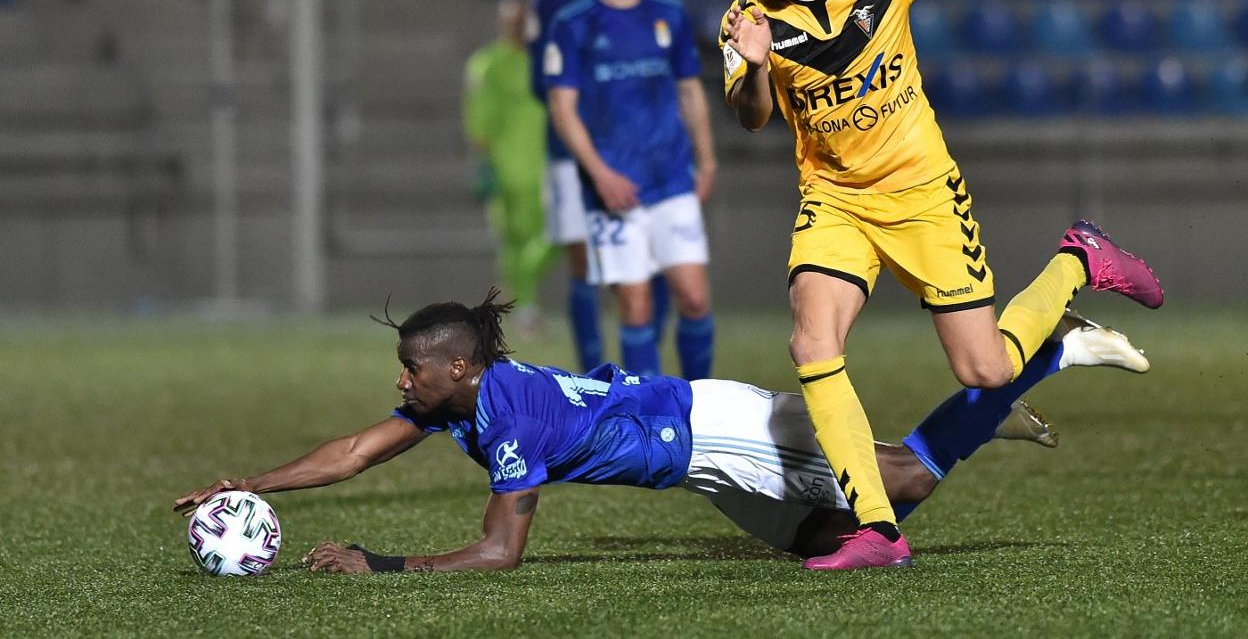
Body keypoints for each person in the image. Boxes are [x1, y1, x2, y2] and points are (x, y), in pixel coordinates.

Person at [719, 0, 1164, 569]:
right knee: (812, 344)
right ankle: (877, 530)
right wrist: (754, 67)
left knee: (985, 369)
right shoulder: (748, 19)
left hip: (923, 196)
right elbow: (750, 120)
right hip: (836, 200)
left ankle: (1079, 257)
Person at [172, 290, 1151, 573]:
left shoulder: (505, 416)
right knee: (818, 543)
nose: (401, 382)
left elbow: (498, 553)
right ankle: (993, 399)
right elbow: (352, 451)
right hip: (699, 465)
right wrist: (241, 483)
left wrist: (381, 567)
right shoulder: (463, 399)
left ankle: (1047, 351)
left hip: (715, 431)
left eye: (412, 369)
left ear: (457, 370)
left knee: (905, 490)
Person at [545, 0, 717, 380]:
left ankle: (699, 407)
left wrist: (706, 162)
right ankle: (650, 417)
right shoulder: (573, 23)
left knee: (694, 297)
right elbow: (563, 109)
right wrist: (600, 175)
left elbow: (690, 92)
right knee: (636, 307)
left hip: (670, 179)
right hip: (613, 192)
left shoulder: (670, 14)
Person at [530, 0, 672, 372]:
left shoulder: (643, 1)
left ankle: (644, 372)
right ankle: (593, 371)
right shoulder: (555, 3)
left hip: (641, 156)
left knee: (655, 265)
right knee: (585, 266)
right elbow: (540, 82)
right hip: (574, 157)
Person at [463, 0, 555, 330]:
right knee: (513, 241)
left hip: (544, 166)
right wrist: (484, 165)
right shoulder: (488, 65)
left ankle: (519, 299)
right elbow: (479, 119)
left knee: (551, 237)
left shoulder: (544, 61)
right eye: (513, 21)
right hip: (507, 169)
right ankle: (524, 308)